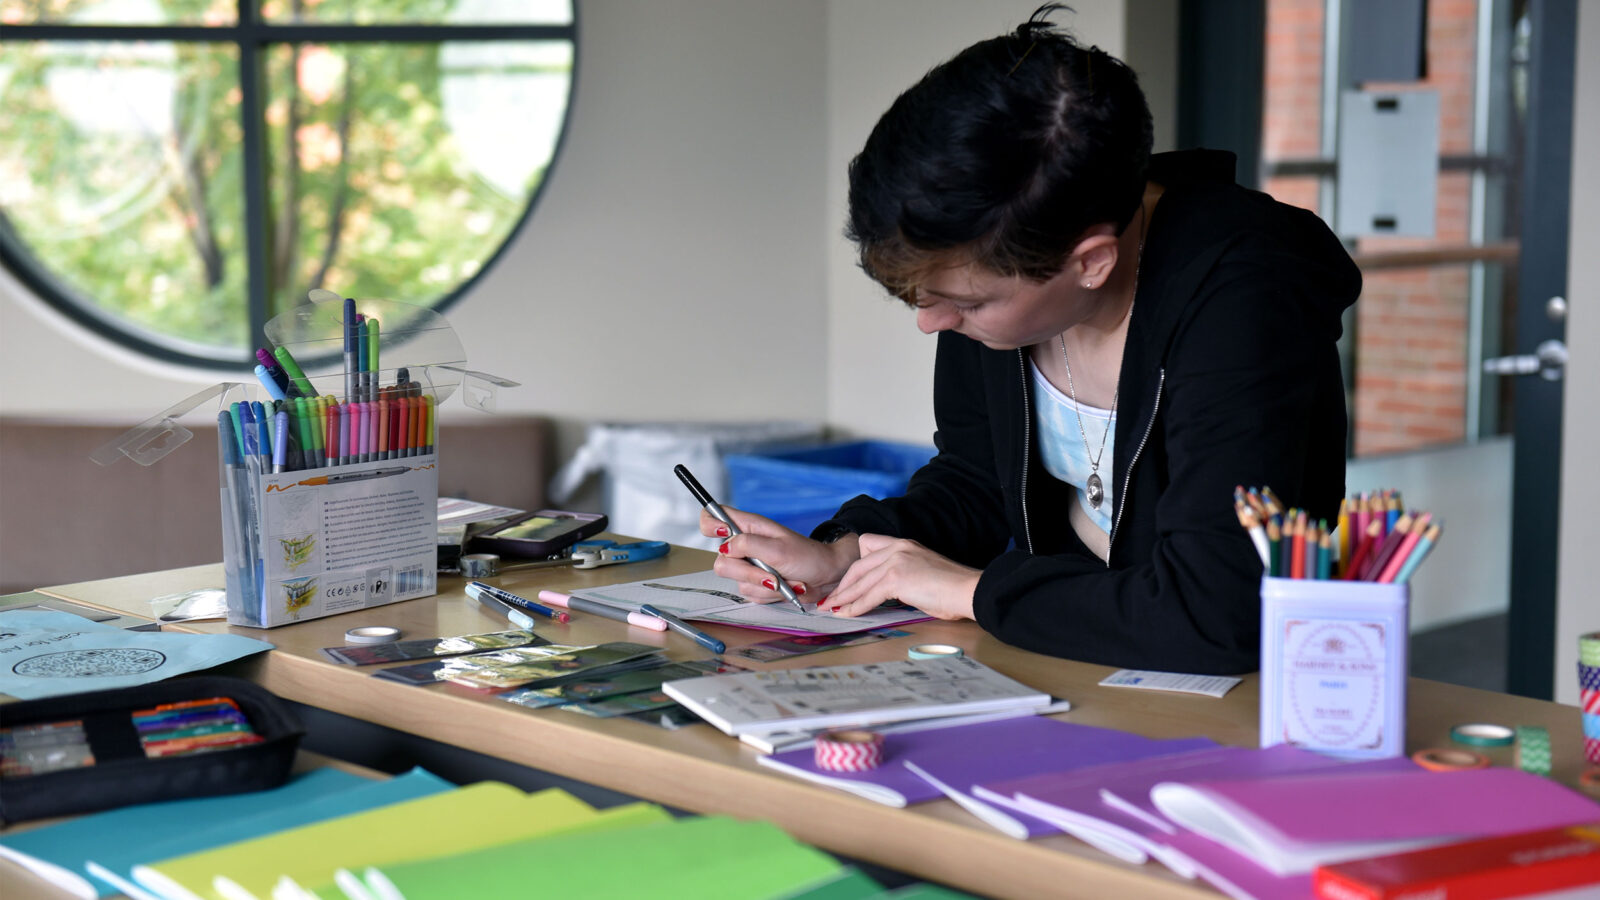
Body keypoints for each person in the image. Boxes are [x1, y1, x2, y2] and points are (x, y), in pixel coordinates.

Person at [703, 5, 1358, 675]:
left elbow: (1213, 612)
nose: (931, 323)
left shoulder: (1243, 296)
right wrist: (848, 553)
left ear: (1091, 261)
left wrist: (968, 590)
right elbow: (977, 478)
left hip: (1247, 688)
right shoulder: (990, 249)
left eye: (964, 302)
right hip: (1081, 658)